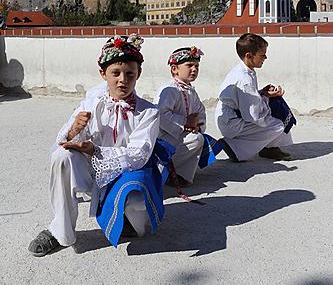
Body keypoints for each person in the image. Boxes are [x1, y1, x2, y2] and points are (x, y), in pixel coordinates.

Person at [28, 34, 164, 257]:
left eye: (130, 73)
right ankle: (61, 231)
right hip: (93, 170)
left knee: (136, 204)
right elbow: (61, 141)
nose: (123, 80)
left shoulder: (148, 112)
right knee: (61, 158)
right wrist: (73, 130)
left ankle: (126, 217)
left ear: (138, 74)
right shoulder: (92, 102)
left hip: (127, 173)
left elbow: (139, 155)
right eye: (115, 73)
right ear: (103, 74)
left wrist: (96, 150)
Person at [215, 33, 293, 162]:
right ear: (249, 56)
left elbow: (247, 98)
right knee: (278, 124)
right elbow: (252, 116)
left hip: (228, 116)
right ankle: (237, 148)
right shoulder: (244, 79)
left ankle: (268, 146)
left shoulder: (243, 70)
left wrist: (263, 94)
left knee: (275, 110)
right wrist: (269, 109)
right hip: (232, 122)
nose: (265, 57)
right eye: (262, 55)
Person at [154, 46, 206, 185]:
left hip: (181, 133)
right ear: (174, 69)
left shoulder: (190, 90)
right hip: (165, 135)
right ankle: (168, 169)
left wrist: (197, 125)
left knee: (202, 139)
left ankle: (178, 173)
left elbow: (199, 111)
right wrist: (184, 122)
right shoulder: (169, 90)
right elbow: (161, 115)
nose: (194, 69)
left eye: (196, 66)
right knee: (196, 140)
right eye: (189, 65)